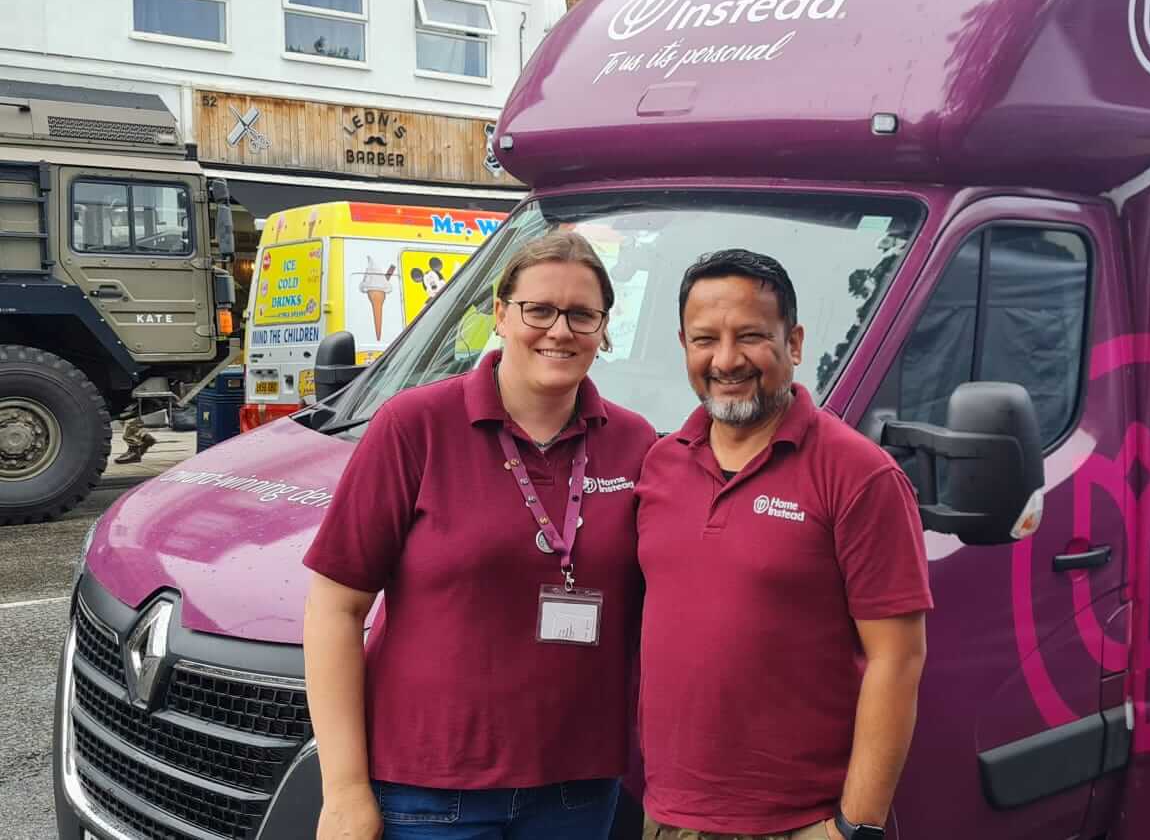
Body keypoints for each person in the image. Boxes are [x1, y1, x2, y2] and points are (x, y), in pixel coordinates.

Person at [302, 232, 656, 840]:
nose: (559, 330)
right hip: (430, 789)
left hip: (577, 786)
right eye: (538, 309)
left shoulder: (636, 444)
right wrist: (344, 791)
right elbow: (336, 607)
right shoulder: (415, 427)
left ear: (603, 328)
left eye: (582, 314)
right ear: (500, 314)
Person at [635, 249, 931, 840]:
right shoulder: (659, 466)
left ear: (793, 343)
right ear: (683, 345)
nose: (725, 360)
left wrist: (854, 828)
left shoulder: (859, 474)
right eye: (704, 339)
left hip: (801, 823)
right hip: (668, 818)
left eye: (750, 336)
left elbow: (898, 659)